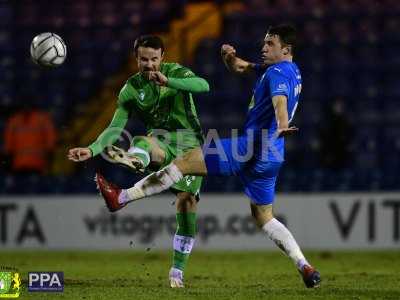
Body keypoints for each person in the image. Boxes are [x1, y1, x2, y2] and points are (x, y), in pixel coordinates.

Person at [95, 25, 321, 288]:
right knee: (264, 217)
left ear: (286, 49)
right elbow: (241, 67)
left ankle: (121, 197)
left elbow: (279, 101)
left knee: (182, 163)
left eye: (270, 43)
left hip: (250, 147)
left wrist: (282, 123)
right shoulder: (288, 71)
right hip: (272, 155)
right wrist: (229, 58)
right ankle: (305, 266)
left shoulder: (279, 73)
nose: (263, 47)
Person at [67, 35, 210, 288]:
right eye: (144, 59)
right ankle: (136, 159)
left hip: (190, 146)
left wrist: (170, 81)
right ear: (136, 59)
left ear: (162, 58)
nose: (149, 64)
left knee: (186, 206)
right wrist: (91, 149)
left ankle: (177, 273)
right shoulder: (130, 89)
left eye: (154, 59)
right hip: (162, 144)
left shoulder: (175, 72)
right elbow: (114, 128)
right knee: (145, 141)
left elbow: (203, 86)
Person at [4, 101, 56, 175]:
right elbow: (8, 145)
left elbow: (50, 142)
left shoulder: (43, 120)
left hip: (38, 165)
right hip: (18, 166)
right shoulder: (14, 121)